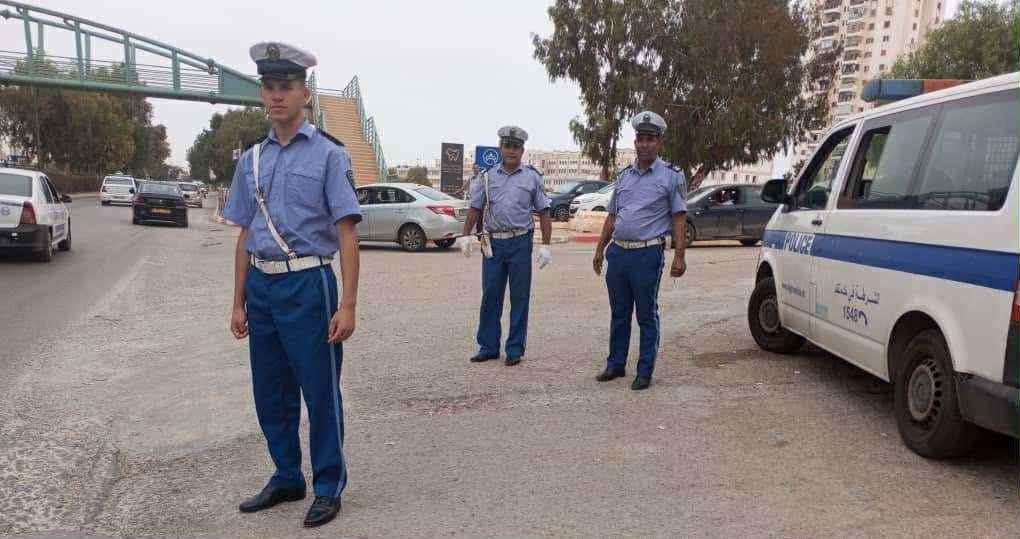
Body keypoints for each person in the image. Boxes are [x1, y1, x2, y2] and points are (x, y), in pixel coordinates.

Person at [222, 41, 361, 528]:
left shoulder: (328, 154)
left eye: (287, 87)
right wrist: (238, 301)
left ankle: (327, 485)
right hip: (262, 286)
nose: (277, 95)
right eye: (269, 86)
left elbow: (347, 234)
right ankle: (286, 474)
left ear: (305, 93)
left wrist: (348, 305)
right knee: (270, 390)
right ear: (262, 93)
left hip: (309, 284)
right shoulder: (250, 162)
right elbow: (245, 233)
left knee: (319, 389)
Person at [592, 111, 687, 391]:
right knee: (619, 312)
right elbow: (612, 216)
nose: (644, 144)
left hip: (647, 255)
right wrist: (600, 249)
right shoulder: (624, 177)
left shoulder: (671, 176)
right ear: (635, 142)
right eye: (640, 139)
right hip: (618, 253)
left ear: (659, 143)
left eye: (650, 139)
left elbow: (679, 217)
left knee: (646, 314)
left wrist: (680, 256)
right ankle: (615, 364)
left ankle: (644, 370)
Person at [461, 126, 552, 366]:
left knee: (520, 297)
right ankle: (488, 346)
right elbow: (475, 208)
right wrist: (465, 235)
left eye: (516, 147)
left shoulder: (532, 177)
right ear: (501, 148)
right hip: (493, 244)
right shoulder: (487, 176)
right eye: (507, 146)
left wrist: (546, 245)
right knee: (490, 295)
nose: (511, 151)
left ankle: (514, 349)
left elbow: (544, 212)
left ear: (522, 150)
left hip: (521, 242)